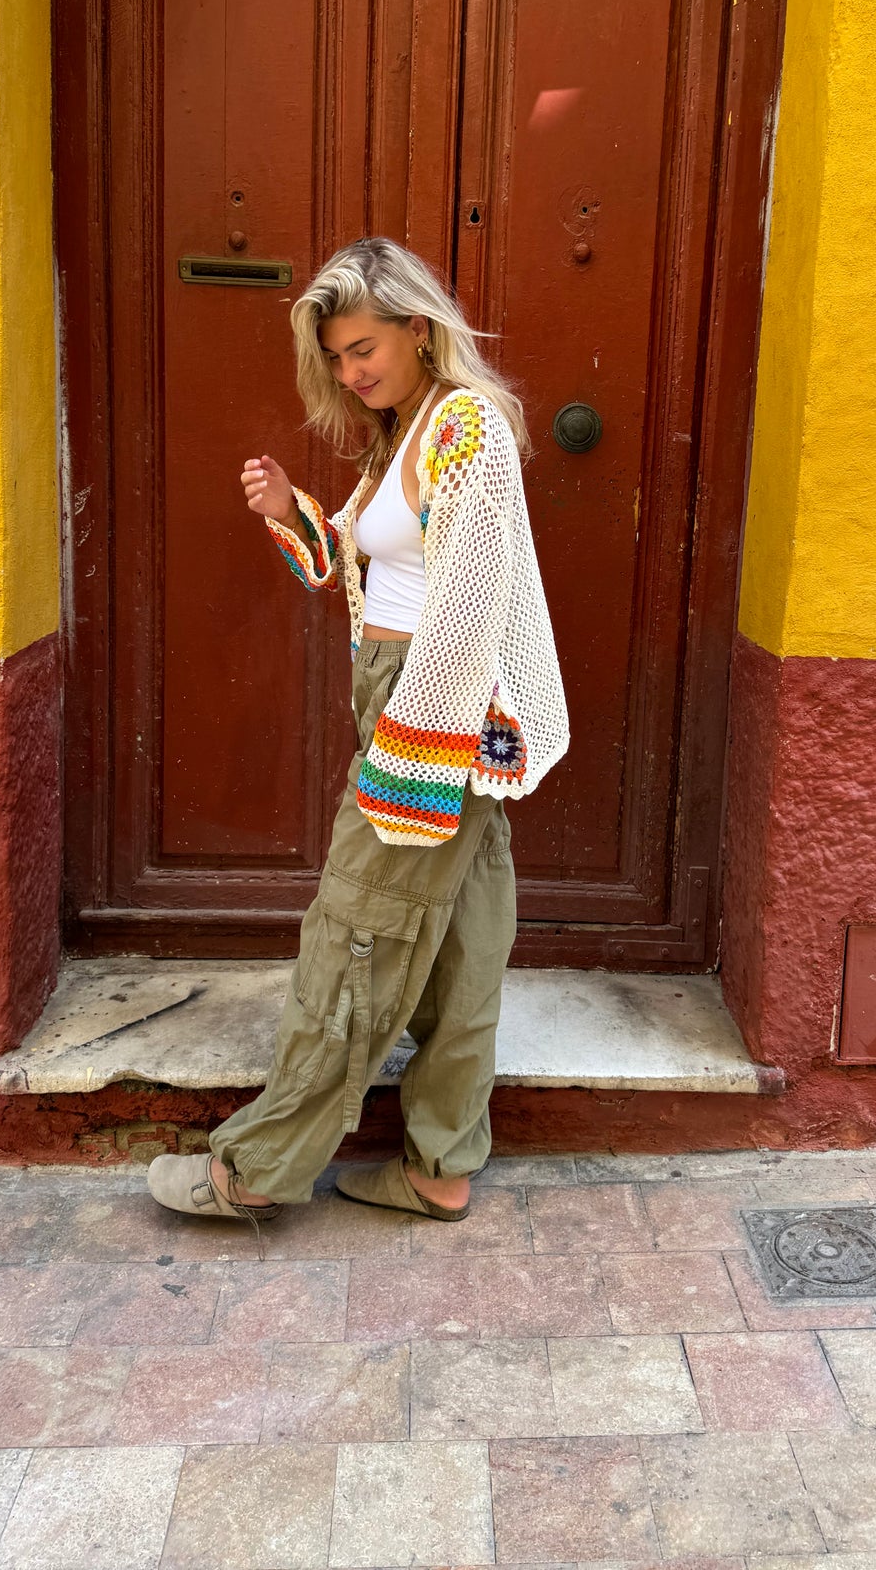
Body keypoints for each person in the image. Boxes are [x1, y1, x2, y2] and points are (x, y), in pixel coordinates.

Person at [147, 237, 568, 1229]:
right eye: (337, 356)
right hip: (429, 706)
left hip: (435, 712)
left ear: (418, 330)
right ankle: (438, 1167)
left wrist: (411, 754)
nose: (350, 370)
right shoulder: (406, 429)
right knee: (465, 949)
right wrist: (288, 514)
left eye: (363, 347)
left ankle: (253, 1169)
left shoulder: (463, 425)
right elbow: (361, 569)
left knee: (352, 938)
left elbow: (465, 604)